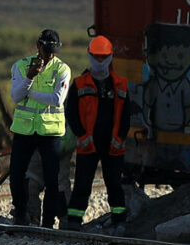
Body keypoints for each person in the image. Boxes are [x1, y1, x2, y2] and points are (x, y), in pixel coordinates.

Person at [64, 35, 131, 230]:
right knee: (82, 184)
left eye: (104, 57)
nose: (100, 61)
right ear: (90, 56)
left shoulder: (121, 84)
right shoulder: (79, 83)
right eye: (96, 57)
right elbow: (71, 113)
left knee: (114, 185)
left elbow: (126, 115)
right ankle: (74, 221)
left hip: (112, 145)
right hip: (89, 143)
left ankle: (120, 222)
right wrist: (82, 136)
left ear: (110, 57)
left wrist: (120, 138)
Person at [7, 28, 72, 226]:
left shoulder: (62, 69)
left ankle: (48, 222)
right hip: (24, 130)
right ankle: (21, 212)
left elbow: (57, 99)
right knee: (17, 174)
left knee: (53, 180)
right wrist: (29, 78)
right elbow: (15, 96)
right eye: (46, 50)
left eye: (53, 51)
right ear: (38, 46)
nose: (50, 55)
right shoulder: (20, 66)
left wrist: (29, 91)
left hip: (50, 132)